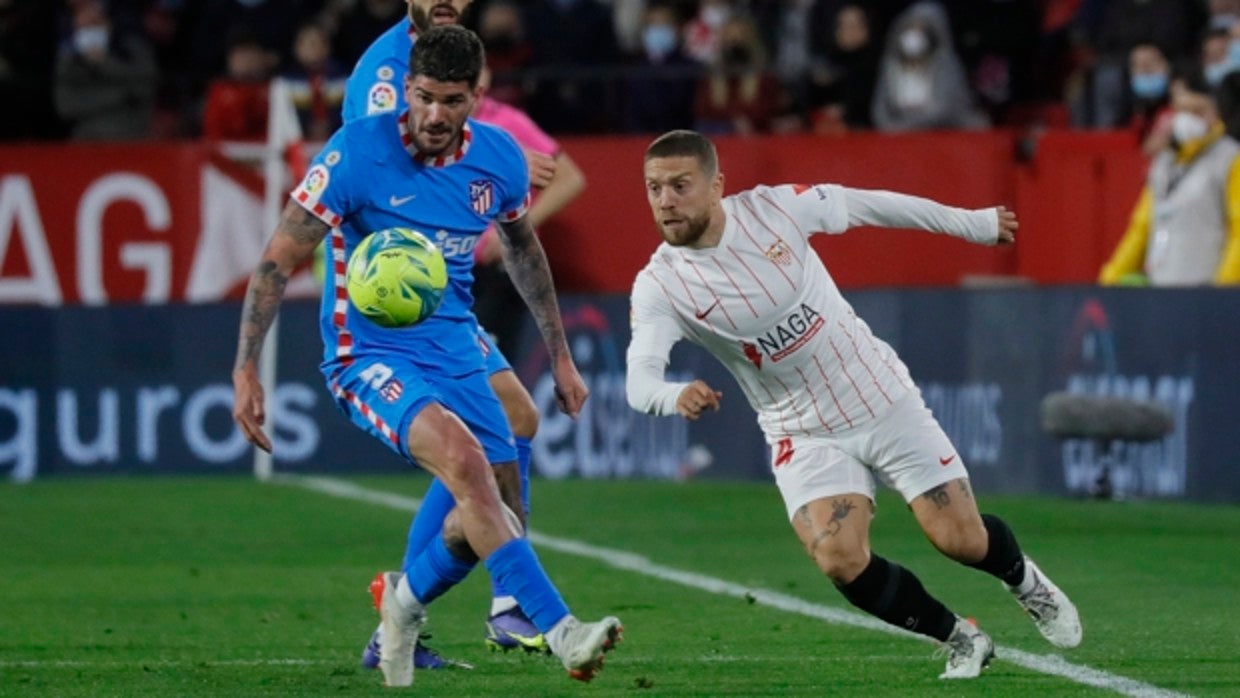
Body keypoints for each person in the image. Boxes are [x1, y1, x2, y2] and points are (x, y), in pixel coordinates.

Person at [231, 26, 622, 688]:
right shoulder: (357, 151)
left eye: (452, 100)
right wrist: (245, 367)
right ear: (406, 88)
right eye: (424, 97)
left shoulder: (498, 157)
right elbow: (279, 257)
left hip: (454, 337)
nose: (435, 115)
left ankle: (403, 607)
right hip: (368, 350)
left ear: (477, 96)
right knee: (467, 465)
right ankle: (562, 632)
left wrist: (560, 355)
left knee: (494, 506)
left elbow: (524, 251)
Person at [626, 129, 1082, 680]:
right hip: (799, 428)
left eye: (680, 185)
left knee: (958, 540)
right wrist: (675, 394)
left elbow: (871, 203)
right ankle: (959, 636)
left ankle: (1024, 582)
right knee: (837, 557)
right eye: (654, 189)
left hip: (876, 394)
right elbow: (639, 381)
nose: (666, 201)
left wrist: (973, 223)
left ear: (717, 185)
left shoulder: (776, 208)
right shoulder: (660, 285)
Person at [341, 0, 564, 666]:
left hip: (442, 287)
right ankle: (500, 603)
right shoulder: (386, 68)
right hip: (400, 299)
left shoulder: (450, 52)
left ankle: (457, 608)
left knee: (517, 418)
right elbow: (383, 160)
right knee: (472, 448)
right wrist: (493, 155)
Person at [472, 64, 587, 361]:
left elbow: (570, 178)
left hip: (503, 268)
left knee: (487, 366)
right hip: (451, 269)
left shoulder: (507, 123)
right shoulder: (439, 128)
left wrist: (516, 228)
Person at [1100, 69, 1240, 286]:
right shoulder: (1165, 163)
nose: (1187, 118)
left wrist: (1225, 289)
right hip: (1163, 290)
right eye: (1181, 110)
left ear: (1216, 113)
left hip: (1207, 294)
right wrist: (1110, 277)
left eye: (1197, 110)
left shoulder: (1230, 158)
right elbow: (1141, 228)